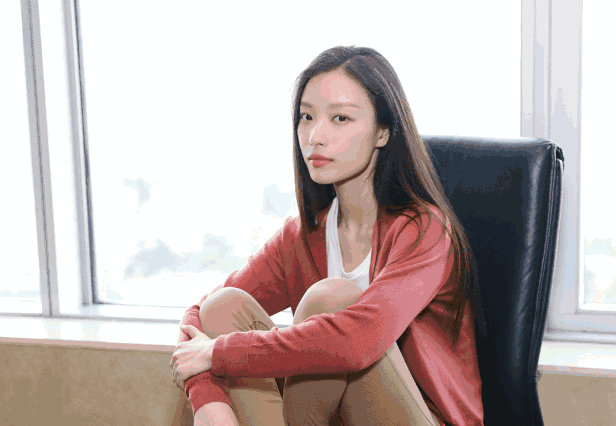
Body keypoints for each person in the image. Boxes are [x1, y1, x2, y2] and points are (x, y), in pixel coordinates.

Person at [170, 45, 486, 426]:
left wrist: (218, 354)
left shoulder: (425, 231)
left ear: (383, 131)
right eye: (307, 117)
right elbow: (198, 315)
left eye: (340, 118)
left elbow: (360, 338)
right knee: (223, 307)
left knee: (329, 301)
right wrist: (208, 402)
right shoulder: (302, 237)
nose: (315, 136)